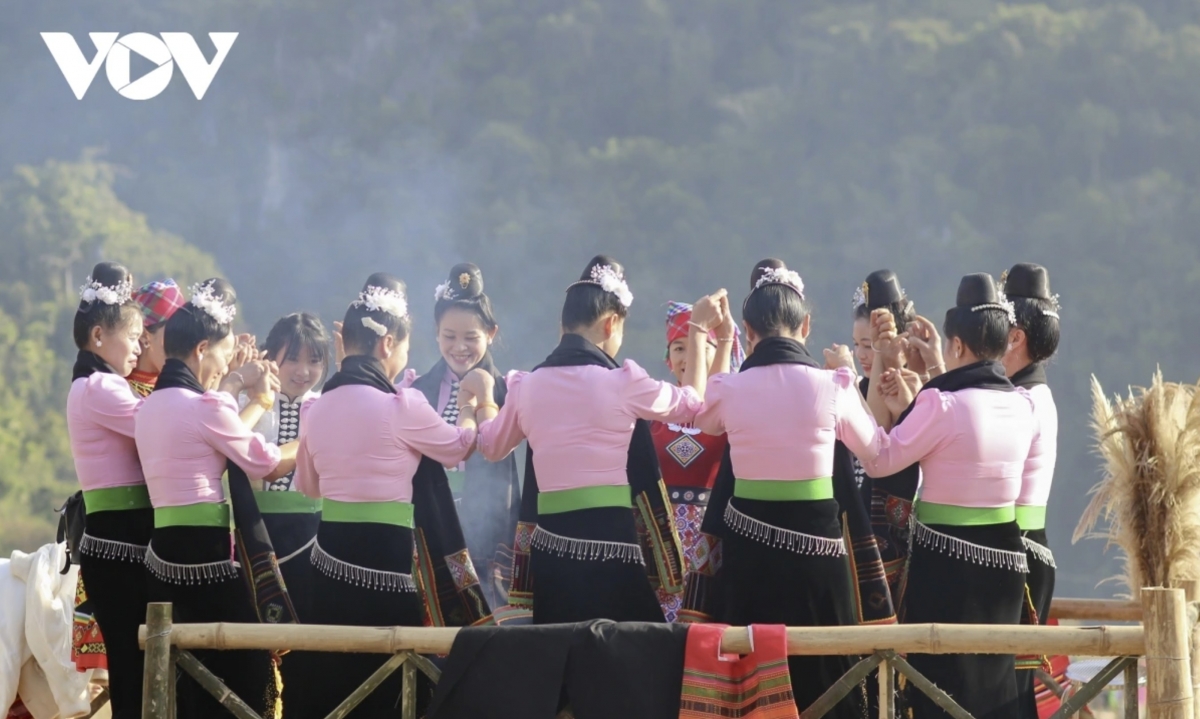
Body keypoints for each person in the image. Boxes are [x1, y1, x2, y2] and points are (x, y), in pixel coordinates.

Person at [473, 255, 726, 624]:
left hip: (551, 552)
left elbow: (492, 446)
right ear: (610, 324)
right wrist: (700, 329)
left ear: (564, 326)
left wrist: (480, 402)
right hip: (613, 548)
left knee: (563, 653)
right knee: (628, 650)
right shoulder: (622, 382)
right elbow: (692, 404)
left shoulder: (527, 387)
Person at [689, 259, 888, 717]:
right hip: (820, 571)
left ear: (747, 330)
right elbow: (879, 455)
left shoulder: (729, 390)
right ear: (806, 325)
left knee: (754, 682)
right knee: (829, 681)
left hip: (749, 566)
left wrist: (708, 336)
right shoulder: (832, 386)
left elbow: (697, 412)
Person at [291, 275, 487, 718]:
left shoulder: (315, 408)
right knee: (389, 679)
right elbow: (459, 446)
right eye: (404, 347)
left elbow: (308, 486)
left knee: (335, 675)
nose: (404, 358)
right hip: (387, 570)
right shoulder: (404, 405)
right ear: (387, 345)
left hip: (327, 567)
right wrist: (475, 408)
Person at [864, 273, 1035, 719]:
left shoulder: (941, 405)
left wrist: (848, 403)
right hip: (1006, 563)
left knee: (942, 688)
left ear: (955, 344)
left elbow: (881, 461)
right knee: (991, 688)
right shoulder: (1024, 406)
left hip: (948, 567)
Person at [135, 278, 297, 719]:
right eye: (223, 356)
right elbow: (264, 462)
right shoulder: (205, 407)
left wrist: (242, 392)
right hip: (205, 560)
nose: (224, 367)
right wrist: (309, 437)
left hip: (161, 557)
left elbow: (216, 428)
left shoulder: (148, 406)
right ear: (202, 348)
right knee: (248, 666)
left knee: (185, 676)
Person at [411, 263, 520, 607]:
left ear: (491, 333)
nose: (460, 347)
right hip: (431, 519)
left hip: (487, 528)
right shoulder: (418, 391)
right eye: (449, 336)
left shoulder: (508, 390)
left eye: (471, 337)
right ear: (435, 333)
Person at [65, 262, 146, 719]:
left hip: (119, 541)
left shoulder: (98, 385)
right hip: (119, 546)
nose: (139, 346)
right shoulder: (101, 389)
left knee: (134, 668)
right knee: (132, 673)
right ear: (99, 336)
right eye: (132, 336)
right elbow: (163, 431)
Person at [649, 301, 740, 622]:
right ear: (667, 357)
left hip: (711, 539)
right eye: (678, 347)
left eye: (701, 346)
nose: (688, 358)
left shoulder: (730, 415)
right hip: (660, 546)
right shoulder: (652, 410)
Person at [1000, 263, 1062, 719]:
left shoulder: (1022, 401)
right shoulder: (1030, 394)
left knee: (1005, 692)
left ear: (1016, 336)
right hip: (1022, 550)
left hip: (1015, 554)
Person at [843, 270, 926, 601]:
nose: (863, 354)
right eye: (858, 345)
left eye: (869, 346)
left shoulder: (914, 385)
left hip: (897, 525)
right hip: (856, 513)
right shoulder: (854, 386)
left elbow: (875, 431)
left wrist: (883, 354)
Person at [127, 279, 187, 397]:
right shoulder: (116, 390)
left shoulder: (181, 387)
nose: (181, 346)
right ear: (144, 335)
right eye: (173, 334)